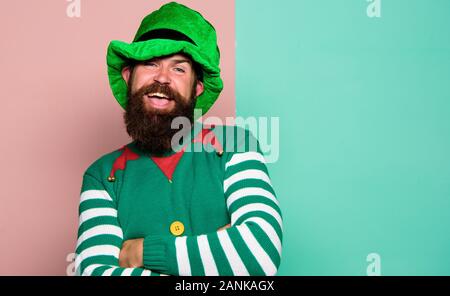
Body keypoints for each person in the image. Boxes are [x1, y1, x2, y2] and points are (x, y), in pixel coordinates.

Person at [75, 1, 283, 276]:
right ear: (128, 77)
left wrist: (138, 253)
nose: (162, 78)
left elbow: (260, 253)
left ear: (197, 88)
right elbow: (92, 272)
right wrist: (216, 257)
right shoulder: (102, 175)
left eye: (179, 68)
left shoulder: (236, 146)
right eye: (150, 63)